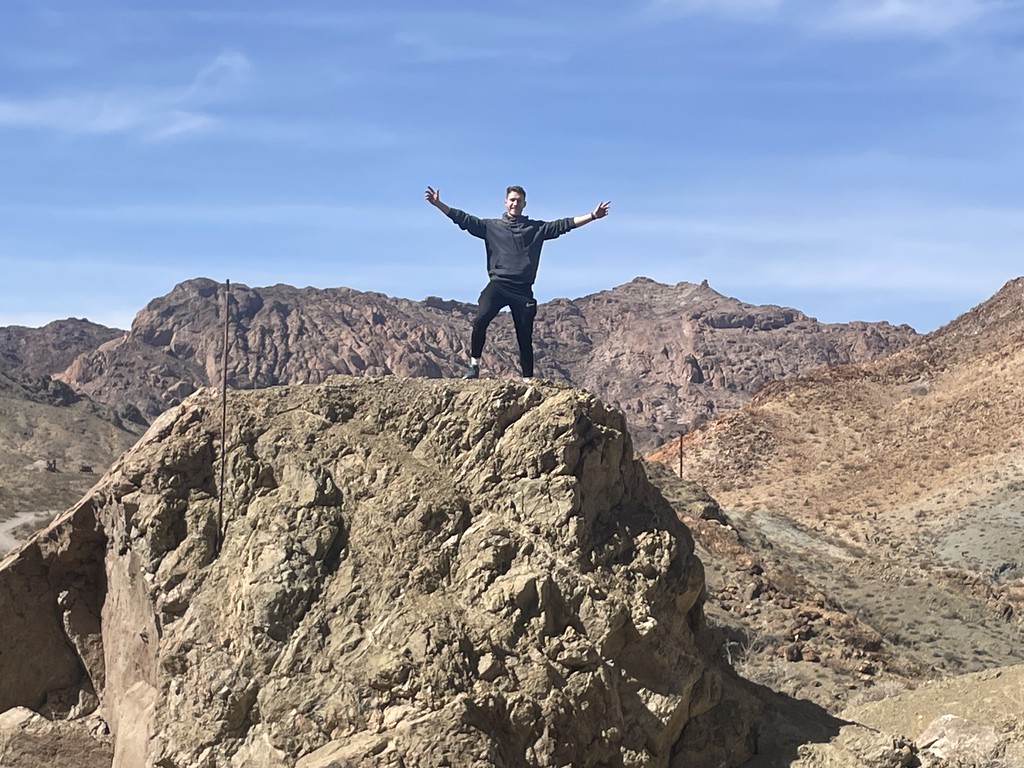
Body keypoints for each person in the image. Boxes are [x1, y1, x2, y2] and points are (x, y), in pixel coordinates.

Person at [425, 184, 610, 380]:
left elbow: (564, 225)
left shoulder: (536, 229)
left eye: (518, 200)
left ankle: (527, 379)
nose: (515, 203)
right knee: (480, 321)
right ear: (505, 202)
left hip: (522, 290)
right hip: (498, 285)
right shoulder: (491, 227)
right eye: (512, 200)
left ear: (524, 204)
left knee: (524, 337)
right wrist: (439, 204)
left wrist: (592, 215)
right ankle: (474, 366)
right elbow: (463, 219)